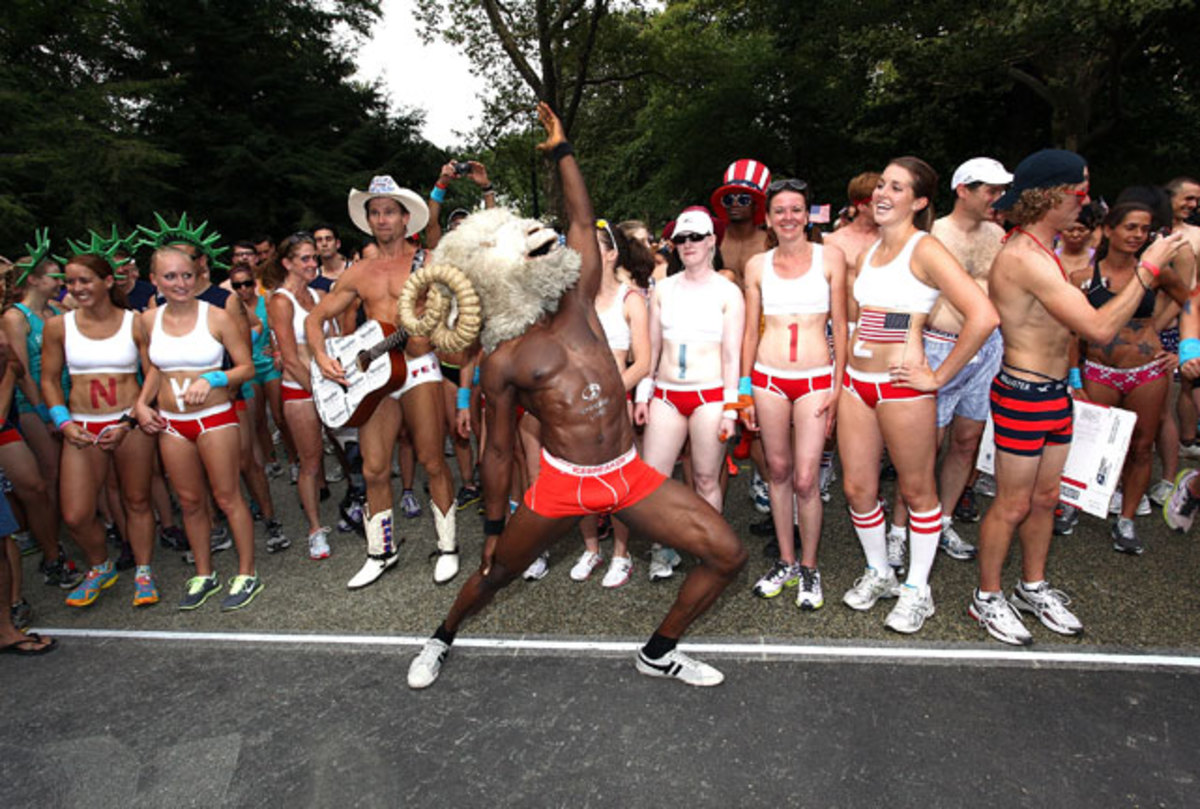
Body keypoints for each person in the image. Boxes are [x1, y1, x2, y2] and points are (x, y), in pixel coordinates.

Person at [407, 103, 747, 690]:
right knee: (495, 577)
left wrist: (564, 152)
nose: (547, 253)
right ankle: (440, 638)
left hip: (627, 473)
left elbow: (581, 217)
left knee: (727, 554)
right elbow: (497, 453)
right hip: (563, 484)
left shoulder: (582, 302)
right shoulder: (505, 358)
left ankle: (659, 651)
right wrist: (491, 530)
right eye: (530, 253)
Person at [973, 149, 1185, 645]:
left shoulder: (1046, 251)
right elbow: (1096, 326)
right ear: (1050, 196)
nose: (1086, 203)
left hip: (1052, 393)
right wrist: (1148, 268)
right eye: (1079, 192)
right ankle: (985, 596)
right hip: (1023, 393)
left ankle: (1032, 585)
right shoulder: (1024, 256)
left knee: (1047, 498)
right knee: (1012, 504)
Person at [839, 156, 998, 635]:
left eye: (898, 188)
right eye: (882, 185)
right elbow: (870, 316)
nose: (883, 194)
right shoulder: (870, 250)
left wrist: (939, 376)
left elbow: (983, 315)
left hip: (902, 387)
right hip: (855, 383)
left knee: (917, 491)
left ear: (921, 200)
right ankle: (880, 574)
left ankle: (917, 591)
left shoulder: (924, 248)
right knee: (858, 489)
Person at [306, 175, 460, 587]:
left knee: (431, 460)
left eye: (389, 211)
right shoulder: (359, 271)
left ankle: (447, 548)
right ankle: (381, 551)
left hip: (420, 367)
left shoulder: (428, 262)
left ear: (406, 218)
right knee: (374, 469)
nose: (382, 219)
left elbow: (454, 310)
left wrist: (436, 331)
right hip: (375, 373)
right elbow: (315, 318)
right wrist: (322, 356)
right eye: (375, 212)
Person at [740, 178, 846, 609]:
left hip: (816, 379)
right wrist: (742, 393)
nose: (788, 217)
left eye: (796, 209)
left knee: (806, 479)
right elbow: (750, 333)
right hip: (768, 377)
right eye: (780, 210)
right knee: (778, 473)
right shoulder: (755, 266)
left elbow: (840, 325)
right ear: (768, 218)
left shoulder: (830, 258)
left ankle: (809, 566)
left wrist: (840, 388)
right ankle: (785, 560)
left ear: (808, 215)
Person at [134, 247, 260, 611]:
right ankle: (204, 574)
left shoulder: (218, 317)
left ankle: (246, 572)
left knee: (227, 496)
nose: (180, 283)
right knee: (189, 502)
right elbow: (156, 368)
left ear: (198, 275)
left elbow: (246, 367)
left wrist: (215, 377)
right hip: (172, 424)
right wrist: (142, 404)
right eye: (170, 277)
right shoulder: (147, 321)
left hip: (215, 418)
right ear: (154, 280)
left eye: (186, 275)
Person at [908, 157, 1011, 563]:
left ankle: (944, 520)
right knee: (922, 448)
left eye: (1001, 190)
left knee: (966, 441)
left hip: (986, 347)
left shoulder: (999, 234)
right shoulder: (930, 235)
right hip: (938, 342)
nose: (997, 197)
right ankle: (908, 526)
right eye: (990, 189)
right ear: (963, 190)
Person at [41, 254, 158, 607]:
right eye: (71, 282)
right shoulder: (59, 326)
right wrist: (64, 422)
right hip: (81, 426)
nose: (76, 289)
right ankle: (99, 566)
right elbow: (47, 379)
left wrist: (130, 420)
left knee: (136, 500)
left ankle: (143, 571)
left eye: (85, 281)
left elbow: (154, 372)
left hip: (127, 423)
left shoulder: (134, 322)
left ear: (108, 281)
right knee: (75, 513)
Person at [637, 206, 745, 580]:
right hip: (666, 394)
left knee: (704, 479)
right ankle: (661, 547)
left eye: (695, 237)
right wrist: (642, 394)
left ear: (712, 240)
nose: (687, 245)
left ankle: (708, 549)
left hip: (711, 396)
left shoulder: (729, 293)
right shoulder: (663, 288)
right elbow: (650, 350)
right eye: (680, 239)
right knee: (654, 478)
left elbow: (733, 357)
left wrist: (732, 409)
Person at [1069, 202, 1183, 554]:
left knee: (1141, 446)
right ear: (1109, 230)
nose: (1138, 235)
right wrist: (1074, 379)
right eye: (1130, 227)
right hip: (1099, 371)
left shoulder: (1157, 272)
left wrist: (1184, 350)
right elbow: (1072, 334)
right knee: (1086, 444)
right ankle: (1071, 507)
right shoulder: (1082, 278)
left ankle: (1127, 520)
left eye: (1144, 229)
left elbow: (1191, 300)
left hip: (1146, 372)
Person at [567, 218, 651, 587]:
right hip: (577, 403)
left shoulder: (631, 298)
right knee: (580, 477)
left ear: (612, 252)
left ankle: (621, 553)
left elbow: (645, 361)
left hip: (615, 401)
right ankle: (590, 549)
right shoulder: (573, 299)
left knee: (618, 480)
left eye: (593, 245)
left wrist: (612, 394)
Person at [266, 233, 331, 559]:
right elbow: (290, 358)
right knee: (309, 462)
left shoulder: (318, 296)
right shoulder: (280, 301)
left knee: (342, 451)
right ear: (287, 263)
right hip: (299, 389)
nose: (312, 264)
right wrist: (320, 391)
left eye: (313, 257)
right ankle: (314, 530)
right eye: (304, 258)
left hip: (327, 386)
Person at [228, 262, 290, 552]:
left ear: (254, 283)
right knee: (254, 425)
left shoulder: (265, 302)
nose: (242, 290)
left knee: (280, 415)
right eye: (236, 285)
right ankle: (269, 465)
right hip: (246, 370)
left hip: (268, 366)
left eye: (247, 284)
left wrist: (277, 350)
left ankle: (292, 460)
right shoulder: (229, 307)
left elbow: (272, 327)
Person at [709, 159, 772, 288]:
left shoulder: (771, 242)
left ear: (756, 205)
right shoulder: (713, 242)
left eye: (744, 200)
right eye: (728, 199)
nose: (735, 204)